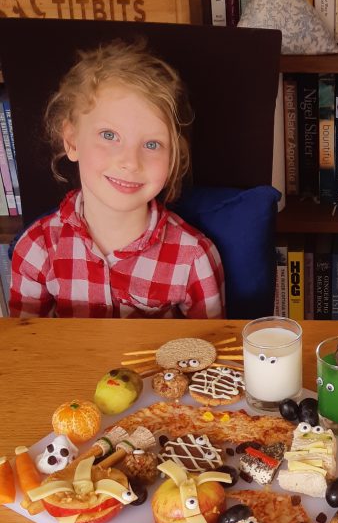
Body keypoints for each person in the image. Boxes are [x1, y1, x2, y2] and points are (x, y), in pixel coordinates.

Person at [9, 38, 225, 319]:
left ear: (173, 158)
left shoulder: (193, 257)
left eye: (151, 144)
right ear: (72, 141)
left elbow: (212, 351)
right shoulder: (36, 249)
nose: (130, 162)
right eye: (109, 135)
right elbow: (25, 352)